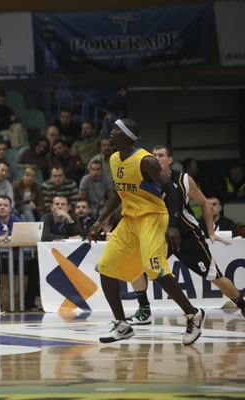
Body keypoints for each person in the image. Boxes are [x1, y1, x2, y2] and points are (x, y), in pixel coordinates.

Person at [88, 119, 206, 345]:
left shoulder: (146, 161)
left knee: (155, 269)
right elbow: (116, 193)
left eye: (115, 130)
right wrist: (101, 220)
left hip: (153, 217)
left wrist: (172, 225)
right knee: (106, 268)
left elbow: (171, 190)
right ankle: (122, 324)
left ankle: (194, 314)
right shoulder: (113, 159)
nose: (110, 134)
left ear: (126, 136)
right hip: (130, 219)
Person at [126, 144, 245, 325]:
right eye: (154, 155)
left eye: (161, 155)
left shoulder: (183, 179)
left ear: (170, 159)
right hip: (160, 235)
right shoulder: (146, 180)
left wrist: (211, 232)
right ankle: (144, 311)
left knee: (215, 277)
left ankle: (243, 307)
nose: (156, 158)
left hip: (186, 235)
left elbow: (205, 203)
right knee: (135, 267)